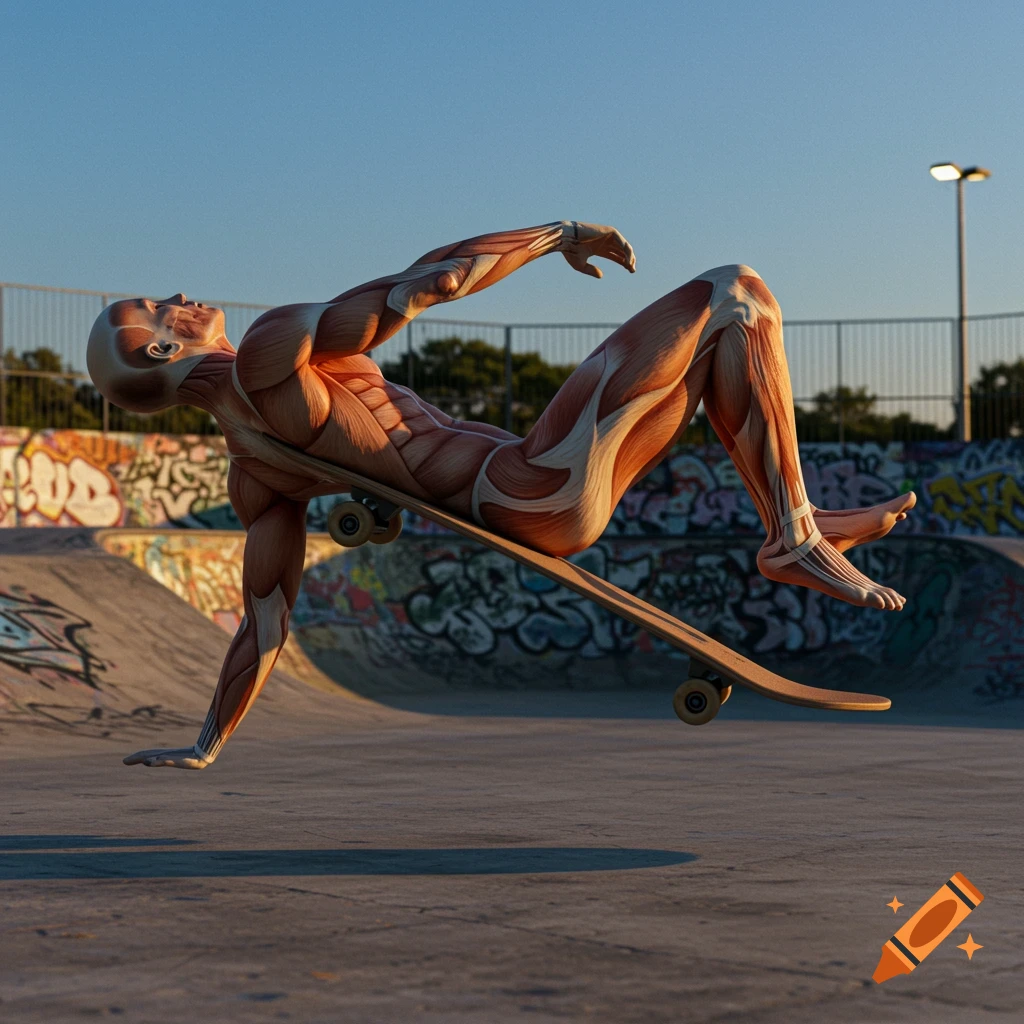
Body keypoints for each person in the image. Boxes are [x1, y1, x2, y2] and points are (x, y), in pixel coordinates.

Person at [88, 220, 915, 769]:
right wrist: (557, 233)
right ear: (160, 347)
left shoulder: (254, 469)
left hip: (544, 490)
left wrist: (207, 743)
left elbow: (266, 620)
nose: (183, 295)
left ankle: (790, 525)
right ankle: (792, 537)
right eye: (162, 307)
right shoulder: (272, 351)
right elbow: (428, 285)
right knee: (734, 290)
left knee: (722, 338)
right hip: (532, 484)